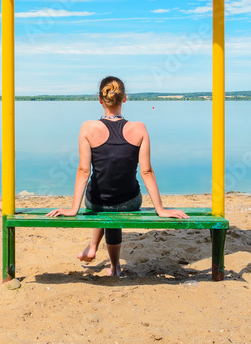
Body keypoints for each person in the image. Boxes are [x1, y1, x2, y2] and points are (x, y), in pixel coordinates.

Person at [47, 75, 187, 277]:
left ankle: (95, 249)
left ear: (100, 99)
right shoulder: (139, 128)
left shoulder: (88, 128)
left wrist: (73, 209)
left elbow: (84, 171)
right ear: (124, 99)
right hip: (130, 201)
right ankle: (114, 266)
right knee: (115, 201)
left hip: (96, 202)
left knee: (103, 199)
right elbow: (146, 171)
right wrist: (161, 209)